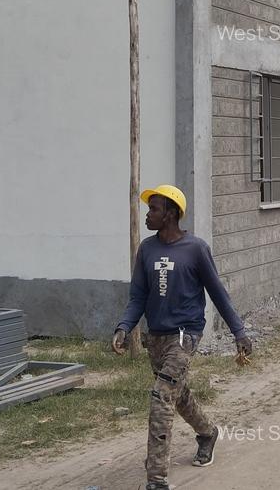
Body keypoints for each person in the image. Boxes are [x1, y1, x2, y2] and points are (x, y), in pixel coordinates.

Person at [112, 184, 252, 490]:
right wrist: (124, 327)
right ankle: (207, 433)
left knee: (161, 398)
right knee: (178, 394)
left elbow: (218, 293)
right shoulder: (147, 249)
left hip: (185, 335)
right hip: (157, 337)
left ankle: (157, 479)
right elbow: (138, 296)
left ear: (171, 213)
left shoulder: (196, 249)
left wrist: (238, 332)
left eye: (154, 209)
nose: (148, 214)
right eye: (149, 208)